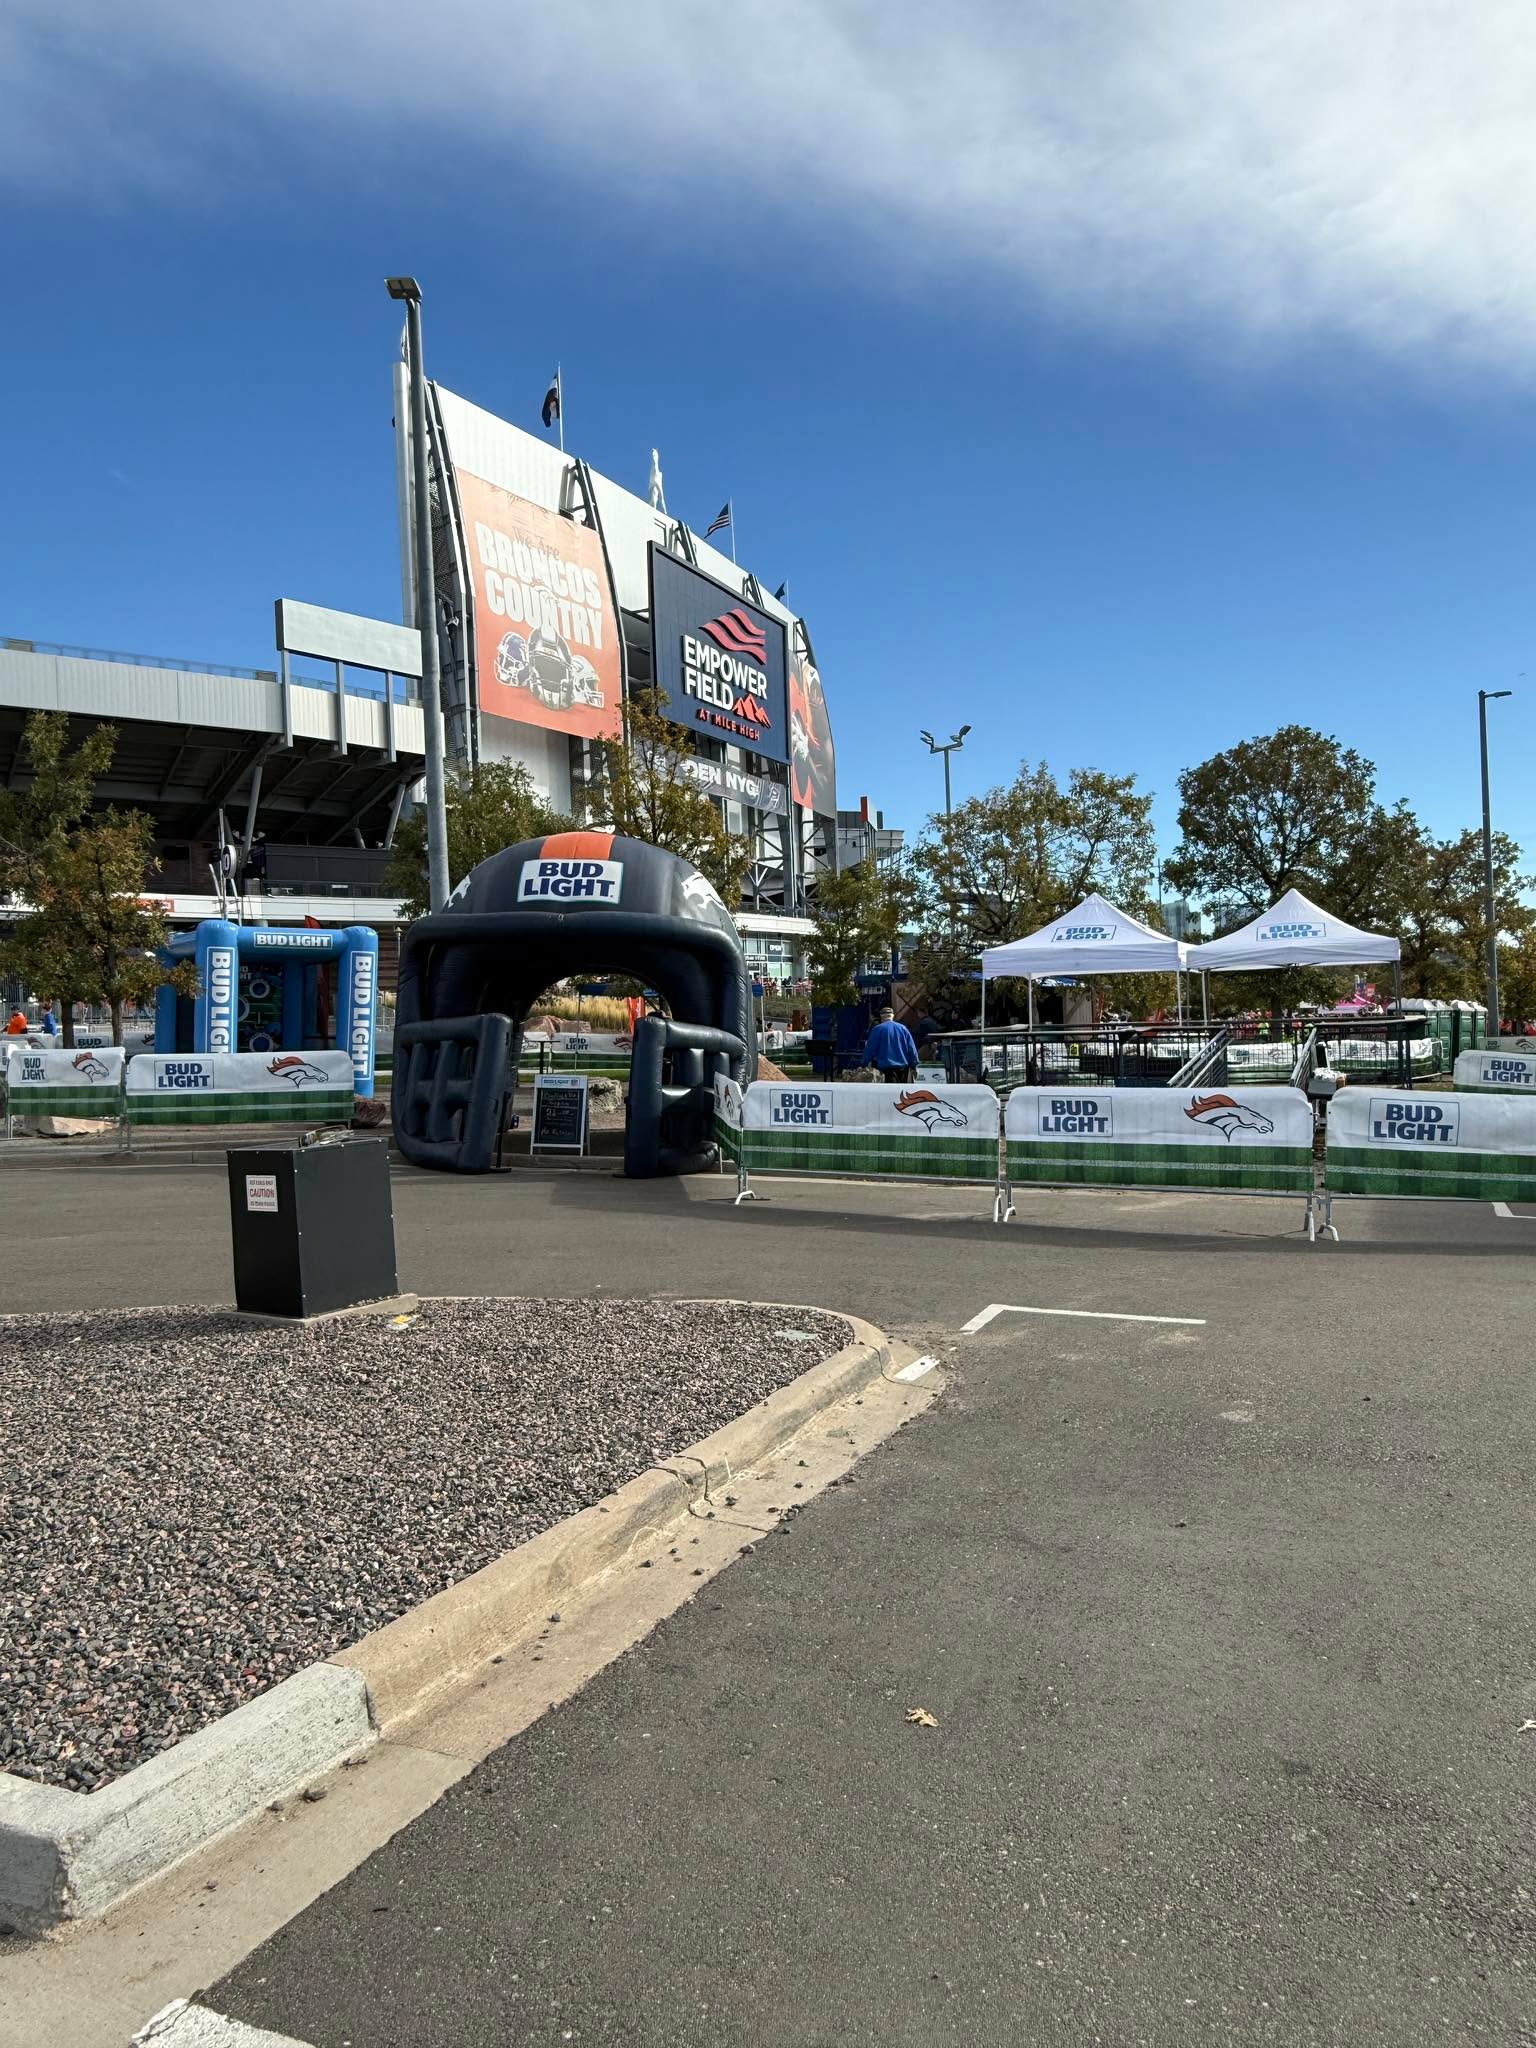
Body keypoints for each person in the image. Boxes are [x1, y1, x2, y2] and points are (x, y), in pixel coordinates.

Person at [864, 1005, 919, 1084]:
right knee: (901, 1094)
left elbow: (870, 1049)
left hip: (885, 1070)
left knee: (889, 1095)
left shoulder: (877, 1029)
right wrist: (914, 1066)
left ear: (881, 1017)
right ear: (892, 1016)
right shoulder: (903, 1028)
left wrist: (864, 1064)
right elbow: (912, 1049)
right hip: (904, 1070)